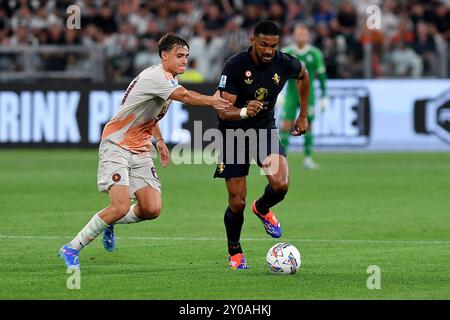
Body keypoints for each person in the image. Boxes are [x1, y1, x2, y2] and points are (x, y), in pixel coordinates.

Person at [59, 33, 231, 269]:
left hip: (140, 149)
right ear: (164, 55)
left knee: (152, 209)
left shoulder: (167, 80)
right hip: (117, 144)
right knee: (119, 206)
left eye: (187, 56)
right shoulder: (156, 77)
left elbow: (150, 115)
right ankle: (71, 248)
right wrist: (212, 101)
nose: (184, 61)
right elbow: (185, 96)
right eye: (179, 56)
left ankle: (111, 222)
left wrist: (159, 141)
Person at [214, 20, 310, 269]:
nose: (269, 51)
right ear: (253, 41)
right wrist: (245, 111)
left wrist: (303, 114)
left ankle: (262, 207)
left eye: (274, 46)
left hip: (264, 130)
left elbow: (303, 74)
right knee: (237, 202)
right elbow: (224, 112)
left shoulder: (283, 61)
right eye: (264, 45)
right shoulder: (235, 66)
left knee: (281, 184)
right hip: (234, 135)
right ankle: (234, 250)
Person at [280, 24, 328, 169]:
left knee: (308, 126)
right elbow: (277, 76)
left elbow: (322, 76)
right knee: (285, 126)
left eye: (304, 35)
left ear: (308, 37)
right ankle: (283, 160)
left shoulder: (315, 54)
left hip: (308, 96)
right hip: (291, 95)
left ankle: (308, 158)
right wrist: (278, 94)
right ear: (294, 36)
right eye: (299, 34)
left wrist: (324, 96)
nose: (301, 37)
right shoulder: (286, 52)